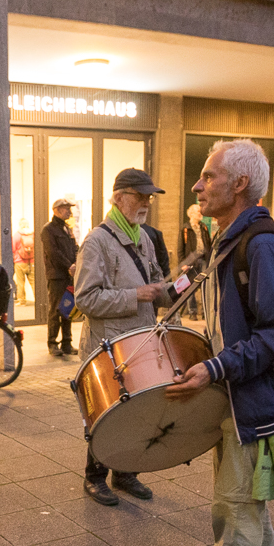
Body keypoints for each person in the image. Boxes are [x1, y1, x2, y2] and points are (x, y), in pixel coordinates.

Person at [165, 140, 274, 546]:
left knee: (236, 507)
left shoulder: (262, 247)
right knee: (242, 494)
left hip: (253, 400)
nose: (197, 186)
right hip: (236, 394)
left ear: (240, 184)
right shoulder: (228, 241)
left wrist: (216, 367)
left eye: (208, 176)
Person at [74, 167, 173, 506]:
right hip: (107, 347)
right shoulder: (96, 241)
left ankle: (126, 472)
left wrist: (178, 287)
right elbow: (86, 299)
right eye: (140, 196)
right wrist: (136, 295)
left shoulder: (143, 237)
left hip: (140, 342)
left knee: (138, 413)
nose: (146, 202)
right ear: (118, 198)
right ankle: (94, 477)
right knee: (106, 416)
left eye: (149, 197)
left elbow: (156, 285)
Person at [41, 198, 78, 357]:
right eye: (66, 208)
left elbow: (74, 248)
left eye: (70, 208)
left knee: (67, 308)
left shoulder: (67, 229)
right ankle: (52, 343)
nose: (69, 211)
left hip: (69, 274)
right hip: (57, 276)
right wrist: (69, 266)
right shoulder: (48, 230)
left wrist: (77, 262)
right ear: (56, 210)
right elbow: (53, 252)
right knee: (56, 310)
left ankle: (67, 343)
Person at [178, 203, 214, 320]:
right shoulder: (185, 229)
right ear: (192, 214)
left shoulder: (204, 227)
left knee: (205, 285)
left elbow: (208, 243)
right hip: (190, 262)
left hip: (203, 259)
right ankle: (192, 312)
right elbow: (180, 248)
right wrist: (183, 264)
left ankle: (204, 312)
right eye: (198, 211)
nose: (200, 213)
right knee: (190, 287)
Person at [12, 221, 35, 305]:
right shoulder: (33, 235)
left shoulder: (17, 235)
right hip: (31, 261)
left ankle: (21, 301)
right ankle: (38, 299)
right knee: (34, 282)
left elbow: (13, 248)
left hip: (19, 262)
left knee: (20, 282)